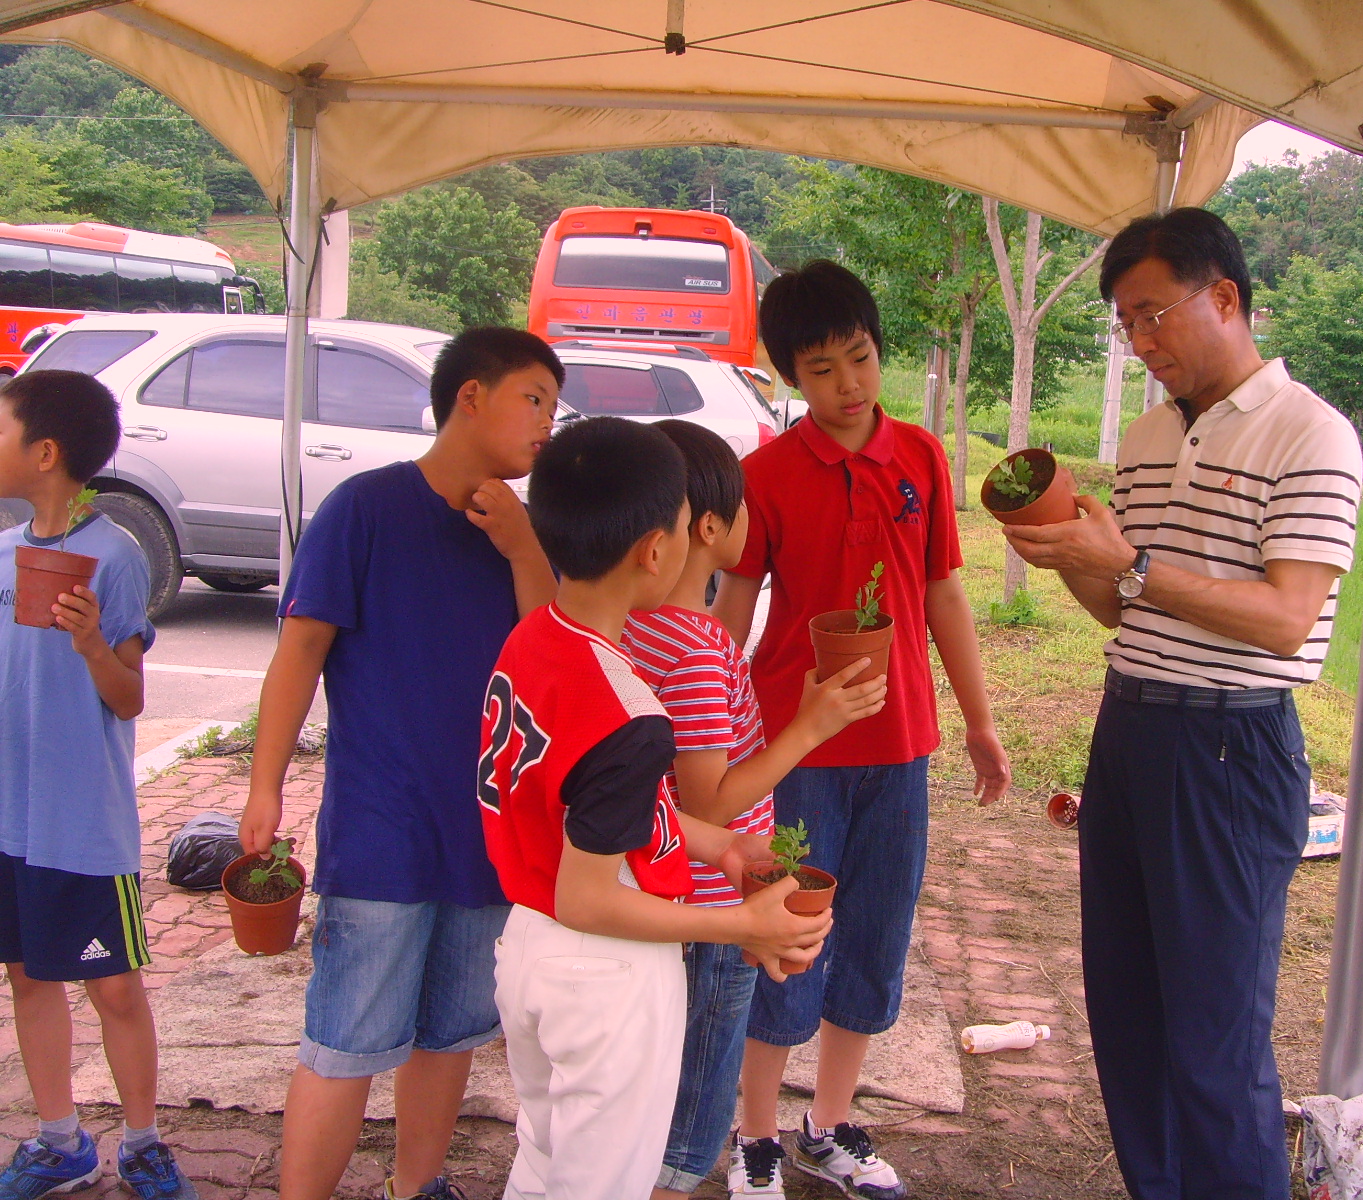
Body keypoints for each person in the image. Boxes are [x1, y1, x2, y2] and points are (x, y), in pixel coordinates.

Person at [1002, 207, 1363, 1200]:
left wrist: (1133, 563)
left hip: (1227, 748)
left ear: (1225, 298)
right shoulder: (1150, 434)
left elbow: (1287, 617)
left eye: (1153, 315)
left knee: (1211, 1042)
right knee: (1127, 1015)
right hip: (1131, 729)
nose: (1142, 342)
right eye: (1126, 324)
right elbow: (1126, 608)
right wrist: (1074, 555)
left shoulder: (1311, 433)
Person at [241, 328, 563, 1200]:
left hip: (485, 837)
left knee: (450, 1035)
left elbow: (548, 654)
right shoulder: (366, 507)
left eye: (554, 408)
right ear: (471, 396)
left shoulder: (524, 534)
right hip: (382, 833)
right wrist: (264, 786)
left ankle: (414, 1187)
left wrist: (524, 548)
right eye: (533, 399)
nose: (546, 423)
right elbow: (298, 653)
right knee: (345, 1041)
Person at [713, 260, 1012, 1200]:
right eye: (822, 369)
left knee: (875, 937)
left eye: (861, 359)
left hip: (900, 747)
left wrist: (978, 724)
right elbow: (733, 600)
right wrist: (711, 732)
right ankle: (755, 1133)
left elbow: (945, 592)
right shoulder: (763, 474)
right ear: (790, 378)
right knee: (784, 931)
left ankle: (830, 1123)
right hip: (796, 750)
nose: (848, 385)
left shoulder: (920, 459)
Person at [480, 415, 832, 1200]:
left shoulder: (536, 638)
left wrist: (720, 849)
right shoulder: (631, 714)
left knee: (543, 1164)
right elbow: (591, 894)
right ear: (657, 550)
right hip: (605, 972)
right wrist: (743, 923)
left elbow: (590, 812)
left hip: (530, 951)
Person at [620, 420, 887, 1200]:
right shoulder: (698, 648)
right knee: (691, 1123)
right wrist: (808, 727)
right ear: (708, 527)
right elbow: (707, 797)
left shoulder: (627, 626)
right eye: (742, 507)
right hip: (706, 910)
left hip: (651, 895)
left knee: (646, 1097)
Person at [0, 371, 196, 1200]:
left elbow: (130, 697)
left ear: (44, 453)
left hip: (84, 821)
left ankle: (143, 1142)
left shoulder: (112, 555)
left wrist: (90, 646)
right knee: (28, 976)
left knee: (114, 986)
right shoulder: (6, 552)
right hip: (13, 814)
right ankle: (59, 1140)